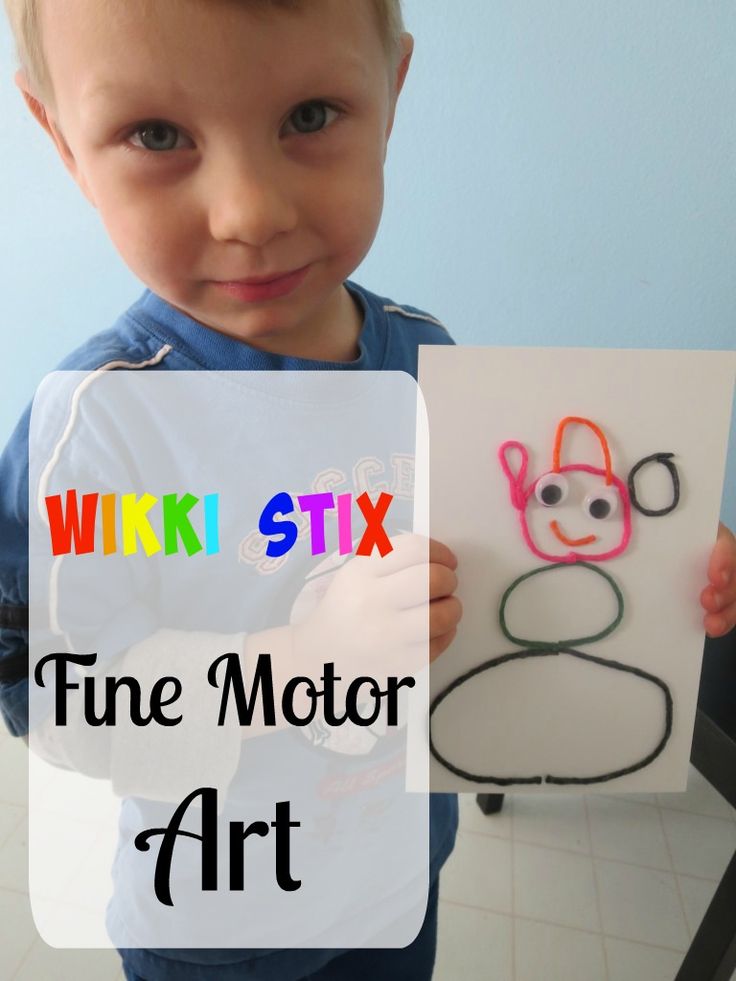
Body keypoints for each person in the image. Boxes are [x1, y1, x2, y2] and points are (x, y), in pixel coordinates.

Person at [0, 1, 734, 979]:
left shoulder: (423, 355)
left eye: (308, 116)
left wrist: (660, 561)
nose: (250, 212)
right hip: (221, 920)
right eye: (157, 135)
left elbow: (493, 557)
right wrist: (300, 660)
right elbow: (57, 704)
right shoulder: (96, 434)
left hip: (396, 876)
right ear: (61, 139)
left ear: (389, 93)